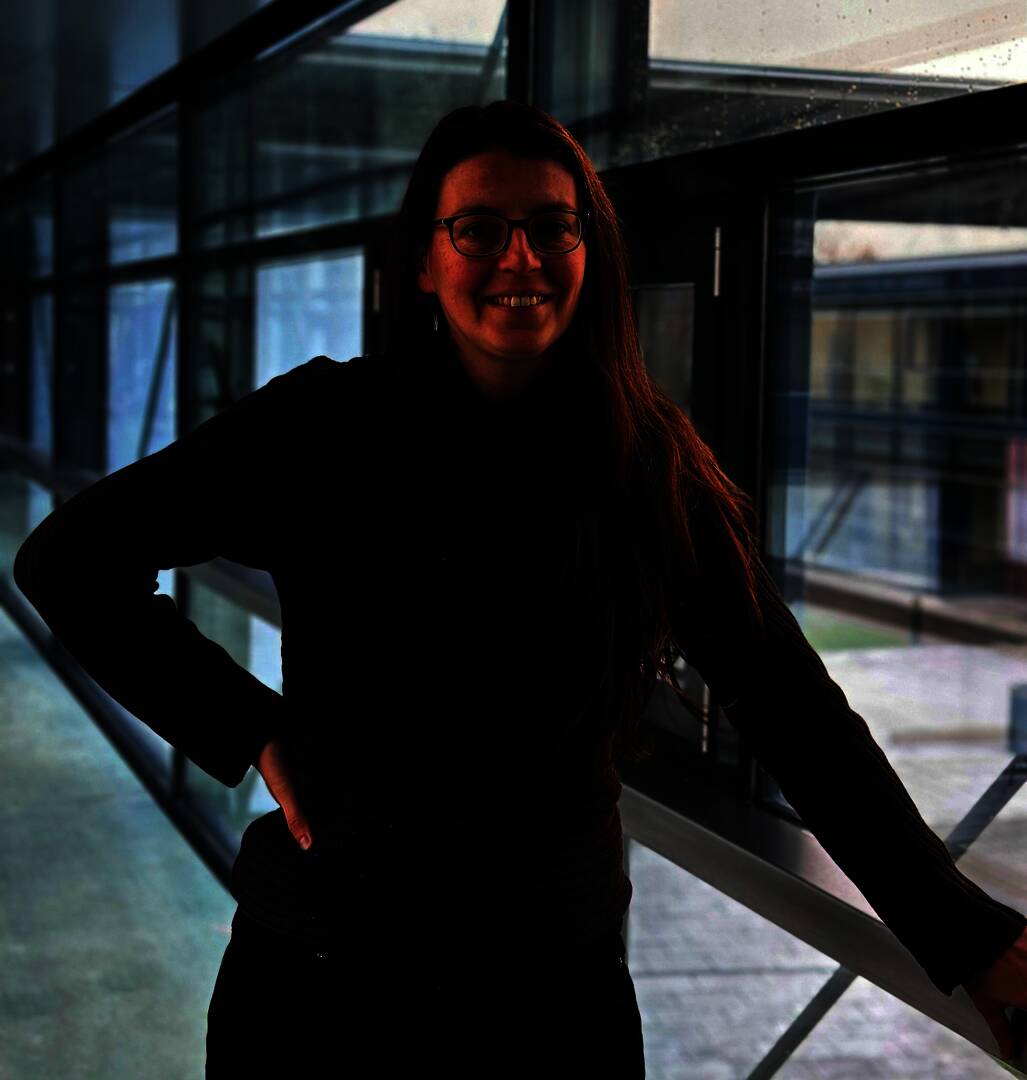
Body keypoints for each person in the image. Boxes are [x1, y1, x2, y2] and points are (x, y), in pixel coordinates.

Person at [11, 98, 1027, 1077]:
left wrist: (967, 939)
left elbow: (790, 709)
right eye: (479, 229)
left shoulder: (643, 463)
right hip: (324, 981)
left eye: (551, 228)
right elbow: (69, 560)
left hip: (548, 996)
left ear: (590, 250)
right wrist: (253, 730)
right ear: (424, 259)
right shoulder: (326, 427)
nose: (520, 259)